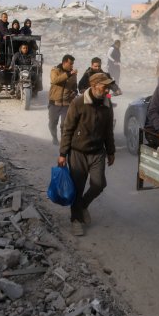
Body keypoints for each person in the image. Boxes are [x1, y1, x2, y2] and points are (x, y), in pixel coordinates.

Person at [58, 72, 116, 237]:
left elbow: (108, 131)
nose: (106, 90)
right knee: (78, 187)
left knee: (99, 184)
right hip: (78, 152)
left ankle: (82, 205)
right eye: (104, 86)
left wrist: (111, 151)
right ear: (94, 85)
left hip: (97, 152)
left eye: (107, 87)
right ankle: (75, 220)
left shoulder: (107, 104)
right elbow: (67, 129)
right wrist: (63, 153)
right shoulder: (78, 102)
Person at [48, 55, 78, 145]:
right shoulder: (55, 70)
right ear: (64, 62)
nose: (72, 66)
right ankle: (54, 137)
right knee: (52, 124)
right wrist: (68, 74)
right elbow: (55, 80)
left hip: (66, 104)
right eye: (70, 64)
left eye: (73, 64)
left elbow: (74, 86)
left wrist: (75, 91)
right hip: (54, 103)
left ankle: (63, 142)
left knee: (64, 125)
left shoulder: (73, 74)